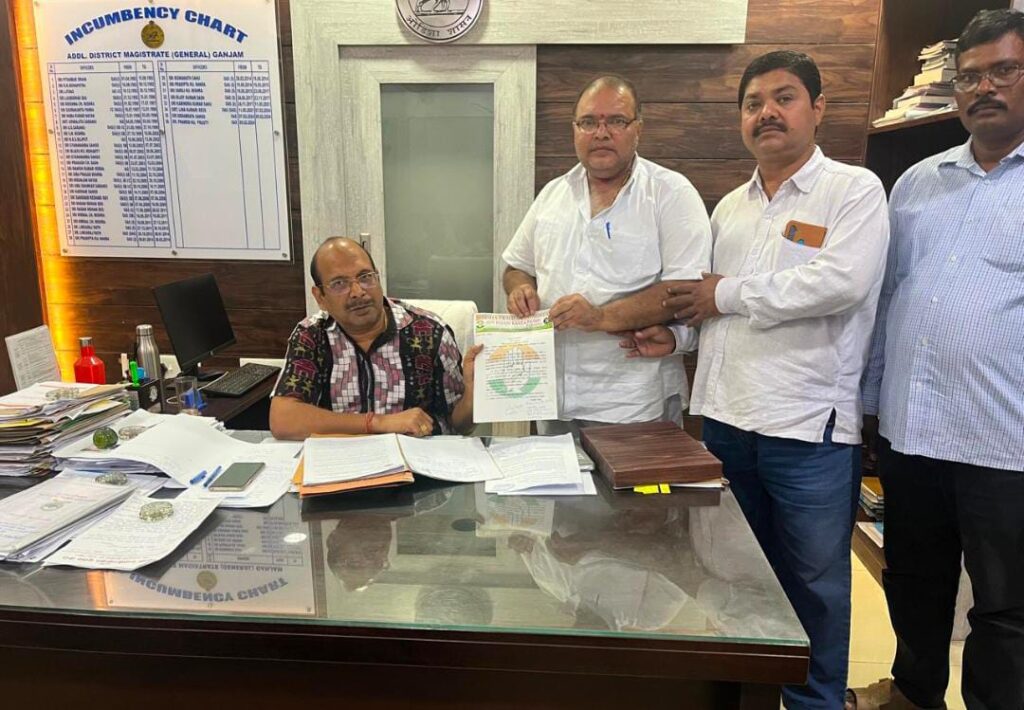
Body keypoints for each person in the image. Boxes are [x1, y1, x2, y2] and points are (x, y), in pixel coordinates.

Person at [621, 51, 890, 709]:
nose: (767, 112)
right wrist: (677, 337)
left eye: (784, 97)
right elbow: (707, 308)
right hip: (726, 424)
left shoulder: (853, 191)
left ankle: (814, 703)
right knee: (733, 577)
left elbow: (840, 283)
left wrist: (725, 294)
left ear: (817, 108)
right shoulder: (728, 210)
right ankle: (748, 697)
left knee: (814, 586)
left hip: (808, 432)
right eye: (752, 103)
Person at [850, 9, 1024, 710]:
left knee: (1005, 608)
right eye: (969, 77)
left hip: (1005, 441)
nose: (984, 88)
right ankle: (913, 695)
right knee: (914, 582)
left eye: (1003, 71)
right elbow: (890, 297)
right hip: (913, 431)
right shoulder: (918, 182)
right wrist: (871, 405)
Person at [501, 74, 712, 434]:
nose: (601, 133)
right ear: (574, 129)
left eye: (615, 121)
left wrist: (599, 317)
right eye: (588, 122)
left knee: (634, 475)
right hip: (552, 395)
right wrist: (520, 288)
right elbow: (516, 266)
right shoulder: (553, 193)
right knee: (555, 474)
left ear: (638, 128)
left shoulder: (671, 193)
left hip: (631, 401)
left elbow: (685, 291)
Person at [269, 237, 481, 440]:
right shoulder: (311, 336)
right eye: (339, 283)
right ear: (320, 297)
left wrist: (473, 395)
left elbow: (459, 425)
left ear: (378, 278)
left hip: (417, 458)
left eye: (365, 277)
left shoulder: (430, 332)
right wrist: (378, 423)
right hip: (341, 458)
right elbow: (283, 420)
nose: (357, 292)